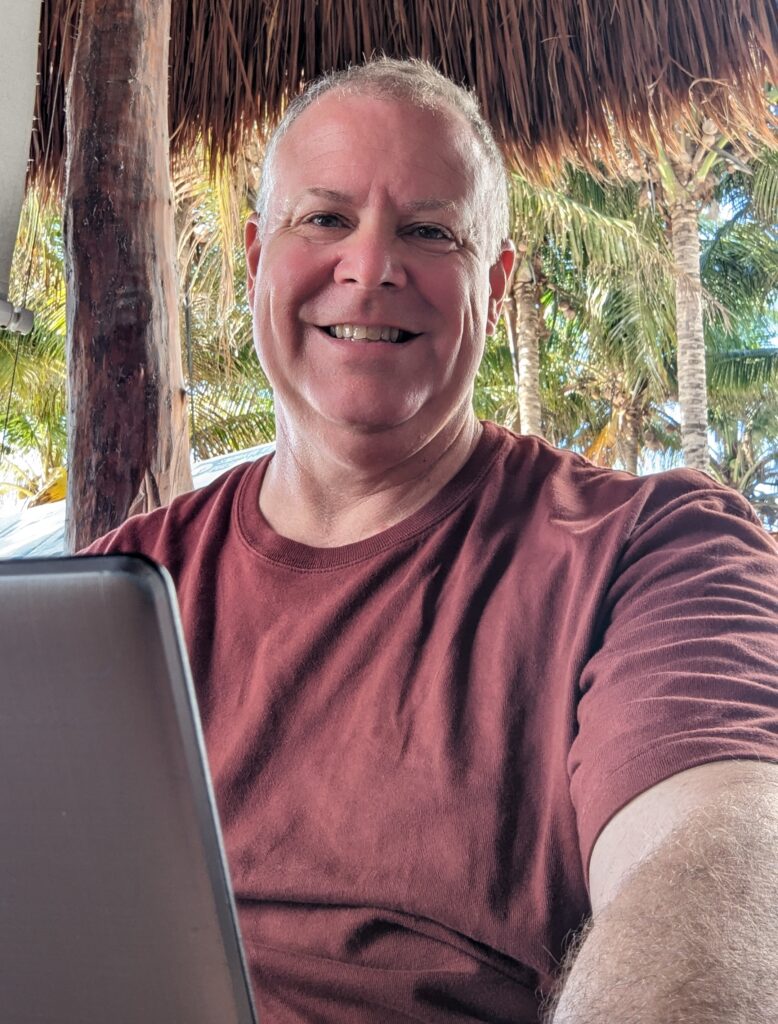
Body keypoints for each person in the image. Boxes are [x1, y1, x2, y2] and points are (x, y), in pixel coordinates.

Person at [85, 58, 778, 1023]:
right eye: (324, 218)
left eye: (429, 231)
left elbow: (719, 861)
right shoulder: (112, 598)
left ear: (493, 285)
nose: (370, 266)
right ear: (254, 260)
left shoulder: (654, 551)